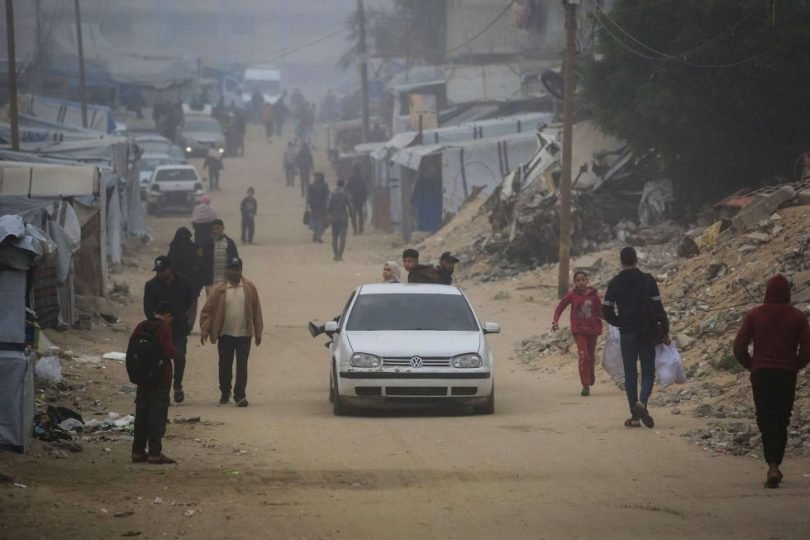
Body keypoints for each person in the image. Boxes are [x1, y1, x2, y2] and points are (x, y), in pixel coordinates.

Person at [733, 274, 810, 488]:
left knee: (766, 417)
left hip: (761, 374)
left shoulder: (755, 315)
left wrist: (752, 365)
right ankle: (776, 463)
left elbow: (739, 347)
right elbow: (807, 348)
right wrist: (795, 365)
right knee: (782, 418)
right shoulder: (798, 317)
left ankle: (772, 464)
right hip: (786, 374)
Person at [602, 246, 669, 429]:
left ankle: (634, 417)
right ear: (636, 260)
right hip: (647, 332)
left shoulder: (616, 282)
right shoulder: (648, 280)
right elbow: (658, 309)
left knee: (630, 373)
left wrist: (619, 321)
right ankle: (642, 402)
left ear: (621, 261)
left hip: (627, 333)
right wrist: (664, 333)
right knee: (648, 371)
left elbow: (606, 308)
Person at [200, 257, 263, 407]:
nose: (234, 272)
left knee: (242, 366)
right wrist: (205, 329)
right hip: (225, 335)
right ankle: (224, 391)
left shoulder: (249, 288)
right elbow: (207, 311)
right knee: (224, 366)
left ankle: (240, 395)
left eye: (237, 269)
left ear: (241, 270)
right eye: (231, 269)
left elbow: (256, 311)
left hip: (244, 335)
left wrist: (258, 331)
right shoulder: (219, 290)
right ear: (226, 270)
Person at [130, 301, 177, 465]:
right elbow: (169, 352)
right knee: (157, 417)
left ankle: (137, 451)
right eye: (171, 318)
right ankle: (155, 453)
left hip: (142, 379)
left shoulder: (141, 326)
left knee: (141, 416)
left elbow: (131, 350)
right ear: (168, 315)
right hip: (160, 379)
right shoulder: (163, 329)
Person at [143, 256, 195, 404]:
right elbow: (148, 309)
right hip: (159, 330)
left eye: (162, 271)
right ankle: (163, 391)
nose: (159, 274)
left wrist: (184, 317)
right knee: (161, 361)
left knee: (179, 357)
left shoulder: (184, 282)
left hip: (179, 327)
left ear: (170, 269)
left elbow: (190, 301)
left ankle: (177, 385)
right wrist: (158, 320)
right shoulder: (151, 286)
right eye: (157, 271)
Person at [552, 271, 604, 396]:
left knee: (590, 355)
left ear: (587, 280)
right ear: (575, 282)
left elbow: (600, 311)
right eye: (578, 280)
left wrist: (615, 321)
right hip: (579, 331)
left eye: (583, 280)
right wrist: (555, 321)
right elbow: (560, 307)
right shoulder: (572, 295)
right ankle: (585, 385)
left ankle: (590, 372)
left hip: (592, 330)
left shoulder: (594, 295)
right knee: (584, 355)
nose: (581, 282)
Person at [167, 227, 204, 331]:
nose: (183, 240)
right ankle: (182, 324)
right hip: (179, 283)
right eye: (182, 238)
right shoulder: (174, 249)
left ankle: (188, 325)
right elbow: (169, 266)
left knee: (190, 305)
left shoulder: (194, 249)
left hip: (191, 283)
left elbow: (201, 267)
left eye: (185, 238)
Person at [202, 219, 239, 294]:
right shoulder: (207, 244)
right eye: (213, 229)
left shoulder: (230, 243)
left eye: (218, 228)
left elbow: (235, 259)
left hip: (226, 281)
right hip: (211, 282)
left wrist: (234, 273)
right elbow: (203, 262)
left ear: (223, 228)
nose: (215, 231)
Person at [327, 179, 352, 261]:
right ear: (343, 185)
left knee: (334, 237)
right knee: (343, 237)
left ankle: (336, 254)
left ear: (337, 184)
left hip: (334, 218)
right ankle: (340, 255)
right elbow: (350, 205)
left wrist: (329, 214)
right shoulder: (346, 194)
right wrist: (351, 215)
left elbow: (328, 206)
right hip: (343, 217)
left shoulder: (332, 194)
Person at [307, 173, 330, 244]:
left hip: (316, 206)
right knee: (321, 221)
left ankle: (316, 234)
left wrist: (308, 204)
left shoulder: (312, 185)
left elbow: (308, 196)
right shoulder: (324, 185)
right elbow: (327, 195)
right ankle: (318, 236)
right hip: (320, 206)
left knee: (317, 221)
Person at [346, 166, 368, 235]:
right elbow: (365, 190)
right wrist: (365, 198)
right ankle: (360, 228)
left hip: (353, 199)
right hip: (360, 199)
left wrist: (348, 196)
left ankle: (355, 230)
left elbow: (346, 188)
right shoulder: (361, 179)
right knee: (360, 214)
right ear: (359, 171)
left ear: (353, 171)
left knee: (353, 215)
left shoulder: (350, 179)